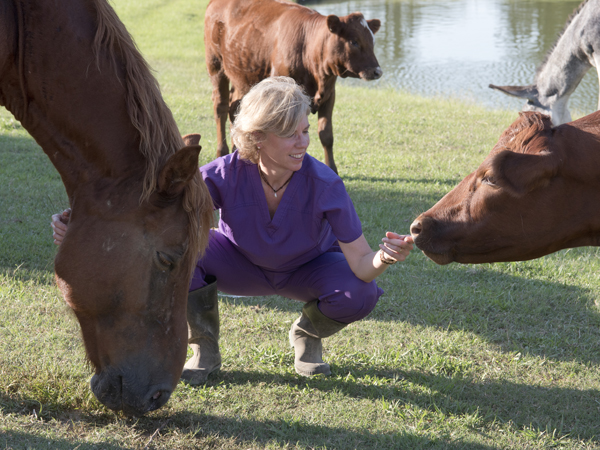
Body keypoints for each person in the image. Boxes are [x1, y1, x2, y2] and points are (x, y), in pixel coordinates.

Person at [51, 76, 414, 384]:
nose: (304, 142)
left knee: (360, 292)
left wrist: (385, 256)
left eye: (305, 131)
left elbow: (362, 263)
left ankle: (308, 334)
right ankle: (203, 346)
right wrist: (83, 231)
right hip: (237, 262)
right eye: (291, 134)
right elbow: (156, 226)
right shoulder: (222, 173)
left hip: (308, 269)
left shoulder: (326, 184)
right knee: (178, 253)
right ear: (258, 138)